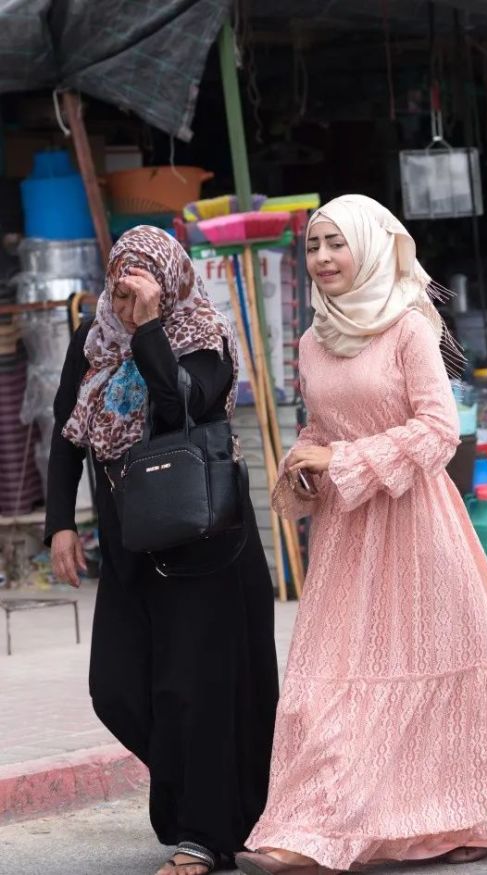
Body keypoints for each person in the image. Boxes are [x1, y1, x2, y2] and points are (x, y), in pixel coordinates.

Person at [237, 195, 487, 875]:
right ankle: (311, 828)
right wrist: (308, 461)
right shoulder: (311, 342)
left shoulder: (408, 326)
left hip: (418, 525)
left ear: (372, 244)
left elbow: (439, 431)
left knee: (429, 666)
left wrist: (341, 460)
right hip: (347, 535)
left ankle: (456, 809)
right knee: (332, 680)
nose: (323, 259)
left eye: (337, 243)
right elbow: (322, 430)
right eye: (313, 247)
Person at [46, 227, 279, 875]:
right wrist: (61, 523)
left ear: (169, 281)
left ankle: (204, 835)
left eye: (141, 281)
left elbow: (181, 405)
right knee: (116, 688)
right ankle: (212, 794)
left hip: (202, 544)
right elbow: (67, 434)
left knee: (192, 691)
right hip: (130, 544)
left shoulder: (204, 338)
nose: (124, 295)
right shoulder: (91, 344)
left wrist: (149, 325)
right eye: (120, 279)